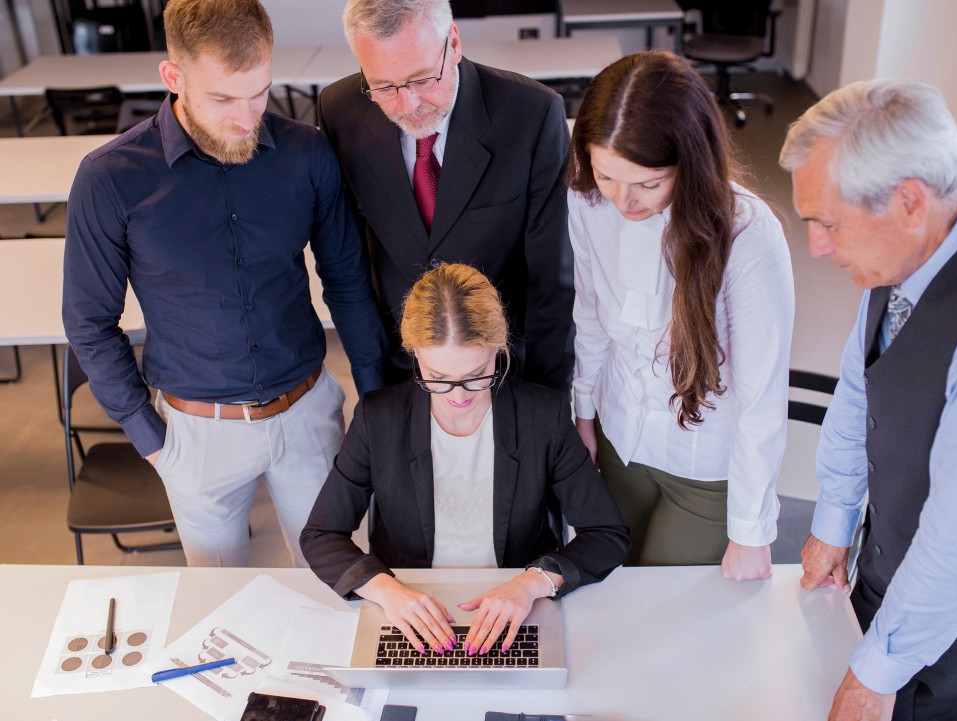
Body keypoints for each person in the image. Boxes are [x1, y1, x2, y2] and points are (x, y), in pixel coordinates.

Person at [62, 0, 387, 568]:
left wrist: (375, 399)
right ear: (174, 77)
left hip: (307, 413)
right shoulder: (110, 177)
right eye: (223, 99)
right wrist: (150, 438)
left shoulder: (307, 152)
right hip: (195, 434)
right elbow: (89, 322)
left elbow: (347, 279)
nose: (246, 116)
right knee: (220, 604)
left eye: (259, 92)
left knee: (336, 590)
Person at [780, 79, 957, 721]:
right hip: (890, 570)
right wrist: (835, 520)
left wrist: (875, 674)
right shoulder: (905, 251)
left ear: (909, 201)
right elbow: (860, 388)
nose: (816, 247)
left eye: (828, 224)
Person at [301, 263, 629, 657]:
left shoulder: (544, 416)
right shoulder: (378, 418)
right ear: (414, 353)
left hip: (515, 606)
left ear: (499, 349)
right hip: (410, 604)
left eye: (477, 375)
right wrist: (386, 590)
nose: (458, 396)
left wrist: (532, 583)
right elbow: (321, 534)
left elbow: (606, 534)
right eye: (438, 378)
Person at [566, 52, 793, 578]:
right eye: (606, 175)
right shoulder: (589, 202)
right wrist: (583, 415)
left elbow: (761, 396)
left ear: (691, 163)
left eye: (649, 184)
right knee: (609, 588)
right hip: (619, 440)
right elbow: (591, 315)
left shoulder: (748, 234)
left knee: (664, 607)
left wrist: (751, 532)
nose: (623, 201)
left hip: (704, 468)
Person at [318, 0, 575, 392]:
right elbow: (349, 265)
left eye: (422, 79)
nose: (407, 105)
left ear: (453, 43)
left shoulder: (532, 115)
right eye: (384, 87)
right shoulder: (341, 112)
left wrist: (545, 401)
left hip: (505, 367)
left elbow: (552, 279)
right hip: (400, 368)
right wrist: (373, 388)